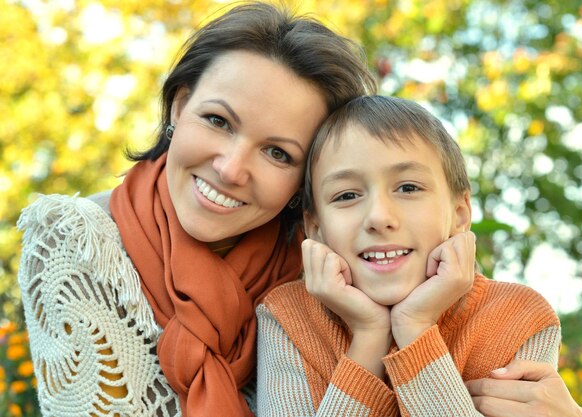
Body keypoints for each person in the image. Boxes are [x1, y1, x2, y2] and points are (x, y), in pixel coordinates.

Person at [16, 3, 376, 417]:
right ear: (180, 105)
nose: (230, 169)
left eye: (278, 153)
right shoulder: (76, 242)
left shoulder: (328, 272)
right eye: (218, 121)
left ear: (306, 180)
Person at [256, 95, 582, 416]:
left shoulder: (519, 317)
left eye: (408, 188)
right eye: (346, 195)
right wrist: (370, 338)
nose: (378, 217)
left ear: (459, 214)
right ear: (315, 228)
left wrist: (414, 329)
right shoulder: (288, 317)